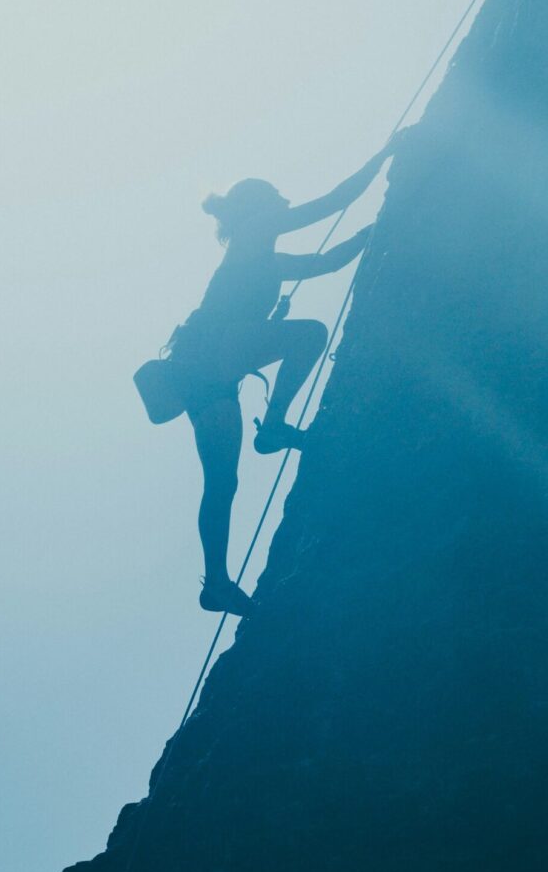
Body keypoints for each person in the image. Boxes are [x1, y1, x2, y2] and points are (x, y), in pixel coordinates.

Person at [172, 133, 407, 616]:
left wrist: (372, 232)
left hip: (207, 378)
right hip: (218, 358)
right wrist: (382, 157)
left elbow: (327, 262)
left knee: (222, 484)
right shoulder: (255, 229)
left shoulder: (264, 256)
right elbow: (330, 203)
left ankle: (216, 582)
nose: (281, 205)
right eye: (275, 200)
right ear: (259, 204)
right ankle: (275, 424)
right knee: (309, 335)